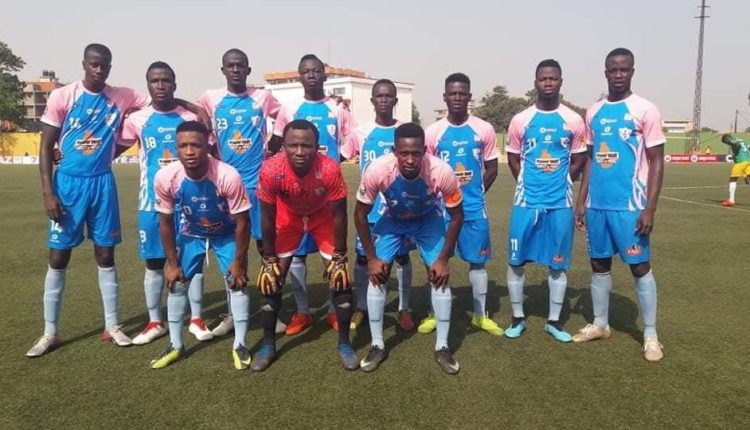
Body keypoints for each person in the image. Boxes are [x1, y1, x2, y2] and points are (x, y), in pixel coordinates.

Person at [28, 43, 153, 356]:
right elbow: (45, 148)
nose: (99, 70)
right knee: (59, 257)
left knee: (106, 254)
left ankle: (112, 326)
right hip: (68, 185)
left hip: (102, 184)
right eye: (94, 64)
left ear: (110, 66)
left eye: (105, 65)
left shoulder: (122, 96)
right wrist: (48, 193)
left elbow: (158, 98)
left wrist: (192, 107)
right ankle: (50, 332)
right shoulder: (63, 96)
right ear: (84, 64)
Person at [574, 48, 666, 362]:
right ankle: (600, 324)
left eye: (623, 69)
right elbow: (589, 159)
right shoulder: (594, 112)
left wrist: (650, 207)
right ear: (605, 73)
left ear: (632, 72)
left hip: (630, 205)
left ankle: (650, 335)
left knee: (640, 267)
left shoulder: (645, 109)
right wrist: (582, 200)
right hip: (597, 205)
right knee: (599, 265)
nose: (618, 75)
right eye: (612, 70)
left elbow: (656, 160)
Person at [355, 122, 464, 374]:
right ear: (394, 151)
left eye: (416, 153)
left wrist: (443, 259)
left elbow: (457, 215)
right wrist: (371, 258)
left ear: (425, 150)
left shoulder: (441, 171)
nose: (411, 160)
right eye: (404, 153)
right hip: (393, 219)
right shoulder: (377, 170)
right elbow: (359, 214)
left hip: (428, 219)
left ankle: (442, 347)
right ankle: (377, 344)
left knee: (440, 277)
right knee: (378, 275)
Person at [119, 61, 212, 345]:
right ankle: (155, 321)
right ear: (148, 84)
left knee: (192, 260)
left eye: (166, 80)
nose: (160, 85)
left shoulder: (190, 117)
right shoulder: (137, 119)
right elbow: (112, 148)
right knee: (154, 262)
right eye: (155, 81)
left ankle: (197, 318)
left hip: (188, 200)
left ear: (175, 84)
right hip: (151, 201)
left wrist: (195, 107)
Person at [253, 119, 356, 371]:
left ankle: (345, 344)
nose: (300, 151)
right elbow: (267, 217)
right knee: (271, 281)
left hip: (323, 218)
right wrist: (269, 258)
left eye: (307, 145)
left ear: (317, 147)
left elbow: (340, 214)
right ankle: (268, 345)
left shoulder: (329, 168)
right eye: (293, 145)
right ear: (283, 146)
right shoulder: (270, 169)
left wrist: (340, 255)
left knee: (341, 280)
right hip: (288, 218)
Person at [150, 121, 251, 369]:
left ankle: (240, 344)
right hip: (192, 233)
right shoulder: (165, 177)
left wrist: (239, 261)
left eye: (195, 145)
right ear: (176, 148)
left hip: (226, 233)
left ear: (207, 145)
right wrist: (172, 263)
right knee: (176, 283)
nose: (189, 151)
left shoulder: (227, 175)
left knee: (237, 284)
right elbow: (165, 222)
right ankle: (175, 345)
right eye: (183, 146)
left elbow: (243, 222)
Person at [197, 48, 281, 337]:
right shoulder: (210, 98)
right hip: (226, 189)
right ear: (223, 70)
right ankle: (234, 313)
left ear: (248, 69)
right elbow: (192, 114)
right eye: (230, 65)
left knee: (266, 249)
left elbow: (285, 117)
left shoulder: (262, 97)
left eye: (240, 65)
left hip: (258, 186)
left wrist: (272, 149)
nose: (235, 69)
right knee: (232, 252)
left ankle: (272, 309)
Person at [270, 54, 354, 336]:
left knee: (331, 255)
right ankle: (302, 311)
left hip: (326, 192)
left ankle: (333, 310)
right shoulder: (290, 108)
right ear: (299, 76)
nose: (312, 75)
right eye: (306, 71)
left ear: (324, 75)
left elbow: (351, 139)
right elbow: (278, 143)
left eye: (317, 71)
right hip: (296, 194)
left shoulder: (337, 108)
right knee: (297, 256)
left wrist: (335, 164)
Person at [504, 59, 587, 342]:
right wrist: (526, 182)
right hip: (526, 202)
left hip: (560, 203)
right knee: (516, 261)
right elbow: (513, 157)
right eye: (543, 78)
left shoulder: (573, 120)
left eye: (553, 78)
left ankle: (554, 321)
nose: (548, 82)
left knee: (558, 264)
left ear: (561, 81)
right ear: (536, 82)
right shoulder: (521, 119)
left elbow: (579, 158)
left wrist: (564, 181)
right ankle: (518, 318)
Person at [423, 73, 501, 336]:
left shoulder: (484, 129)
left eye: (462, 93)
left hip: (473, 209)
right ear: (445, 97)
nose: (457, 97)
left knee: (477, 263)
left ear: (469, 97)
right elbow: (426, 171)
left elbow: (492, 168)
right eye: (452, 93)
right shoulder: (433, 132)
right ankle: (434, 313)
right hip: (440, 212)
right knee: (436, 261)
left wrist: (477, 192)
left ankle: (480, 316)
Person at [340, 78, 415, 332]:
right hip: (370, 212)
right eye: (379, 96)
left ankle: (404, 307)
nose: (384, 100)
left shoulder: (405, 132)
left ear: (395, 100)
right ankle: (362, 306)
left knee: (402, 258)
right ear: (372, 100)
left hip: (400, 212)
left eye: (388, 96)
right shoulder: (360, 133)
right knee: (363, 259)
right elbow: (339, 159)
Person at [720, 134, 750, 207]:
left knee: (733, 179)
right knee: (748, 179)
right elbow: (748, 147)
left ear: (727, 139)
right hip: (748, 160)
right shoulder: (742, 140)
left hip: (740, 161)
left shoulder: (733, 141)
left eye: (725, 142)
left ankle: (731, 200)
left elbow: (737, 144)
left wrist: (733, 146)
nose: (727, 143)